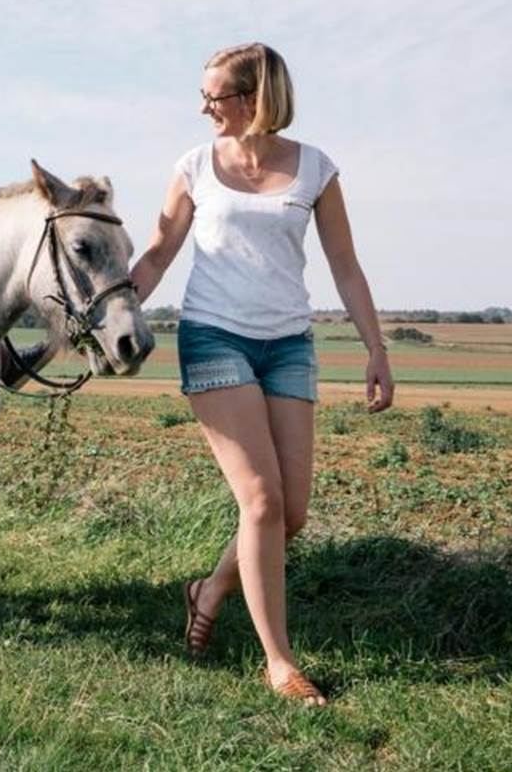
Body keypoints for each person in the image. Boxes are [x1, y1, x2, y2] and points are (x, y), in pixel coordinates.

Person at [128, 42, 394, 706]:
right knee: (262, 502)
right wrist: (111, 309)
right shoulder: (194, 166)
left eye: (214, 96)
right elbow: (159, 253)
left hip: (288, 345)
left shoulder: (316, 170)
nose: (204, 107)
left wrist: (376, 349)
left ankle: (211, 587)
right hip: (214, 335)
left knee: (292, 513)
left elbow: (345, 265)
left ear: (253, 98)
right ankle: (279, 662)